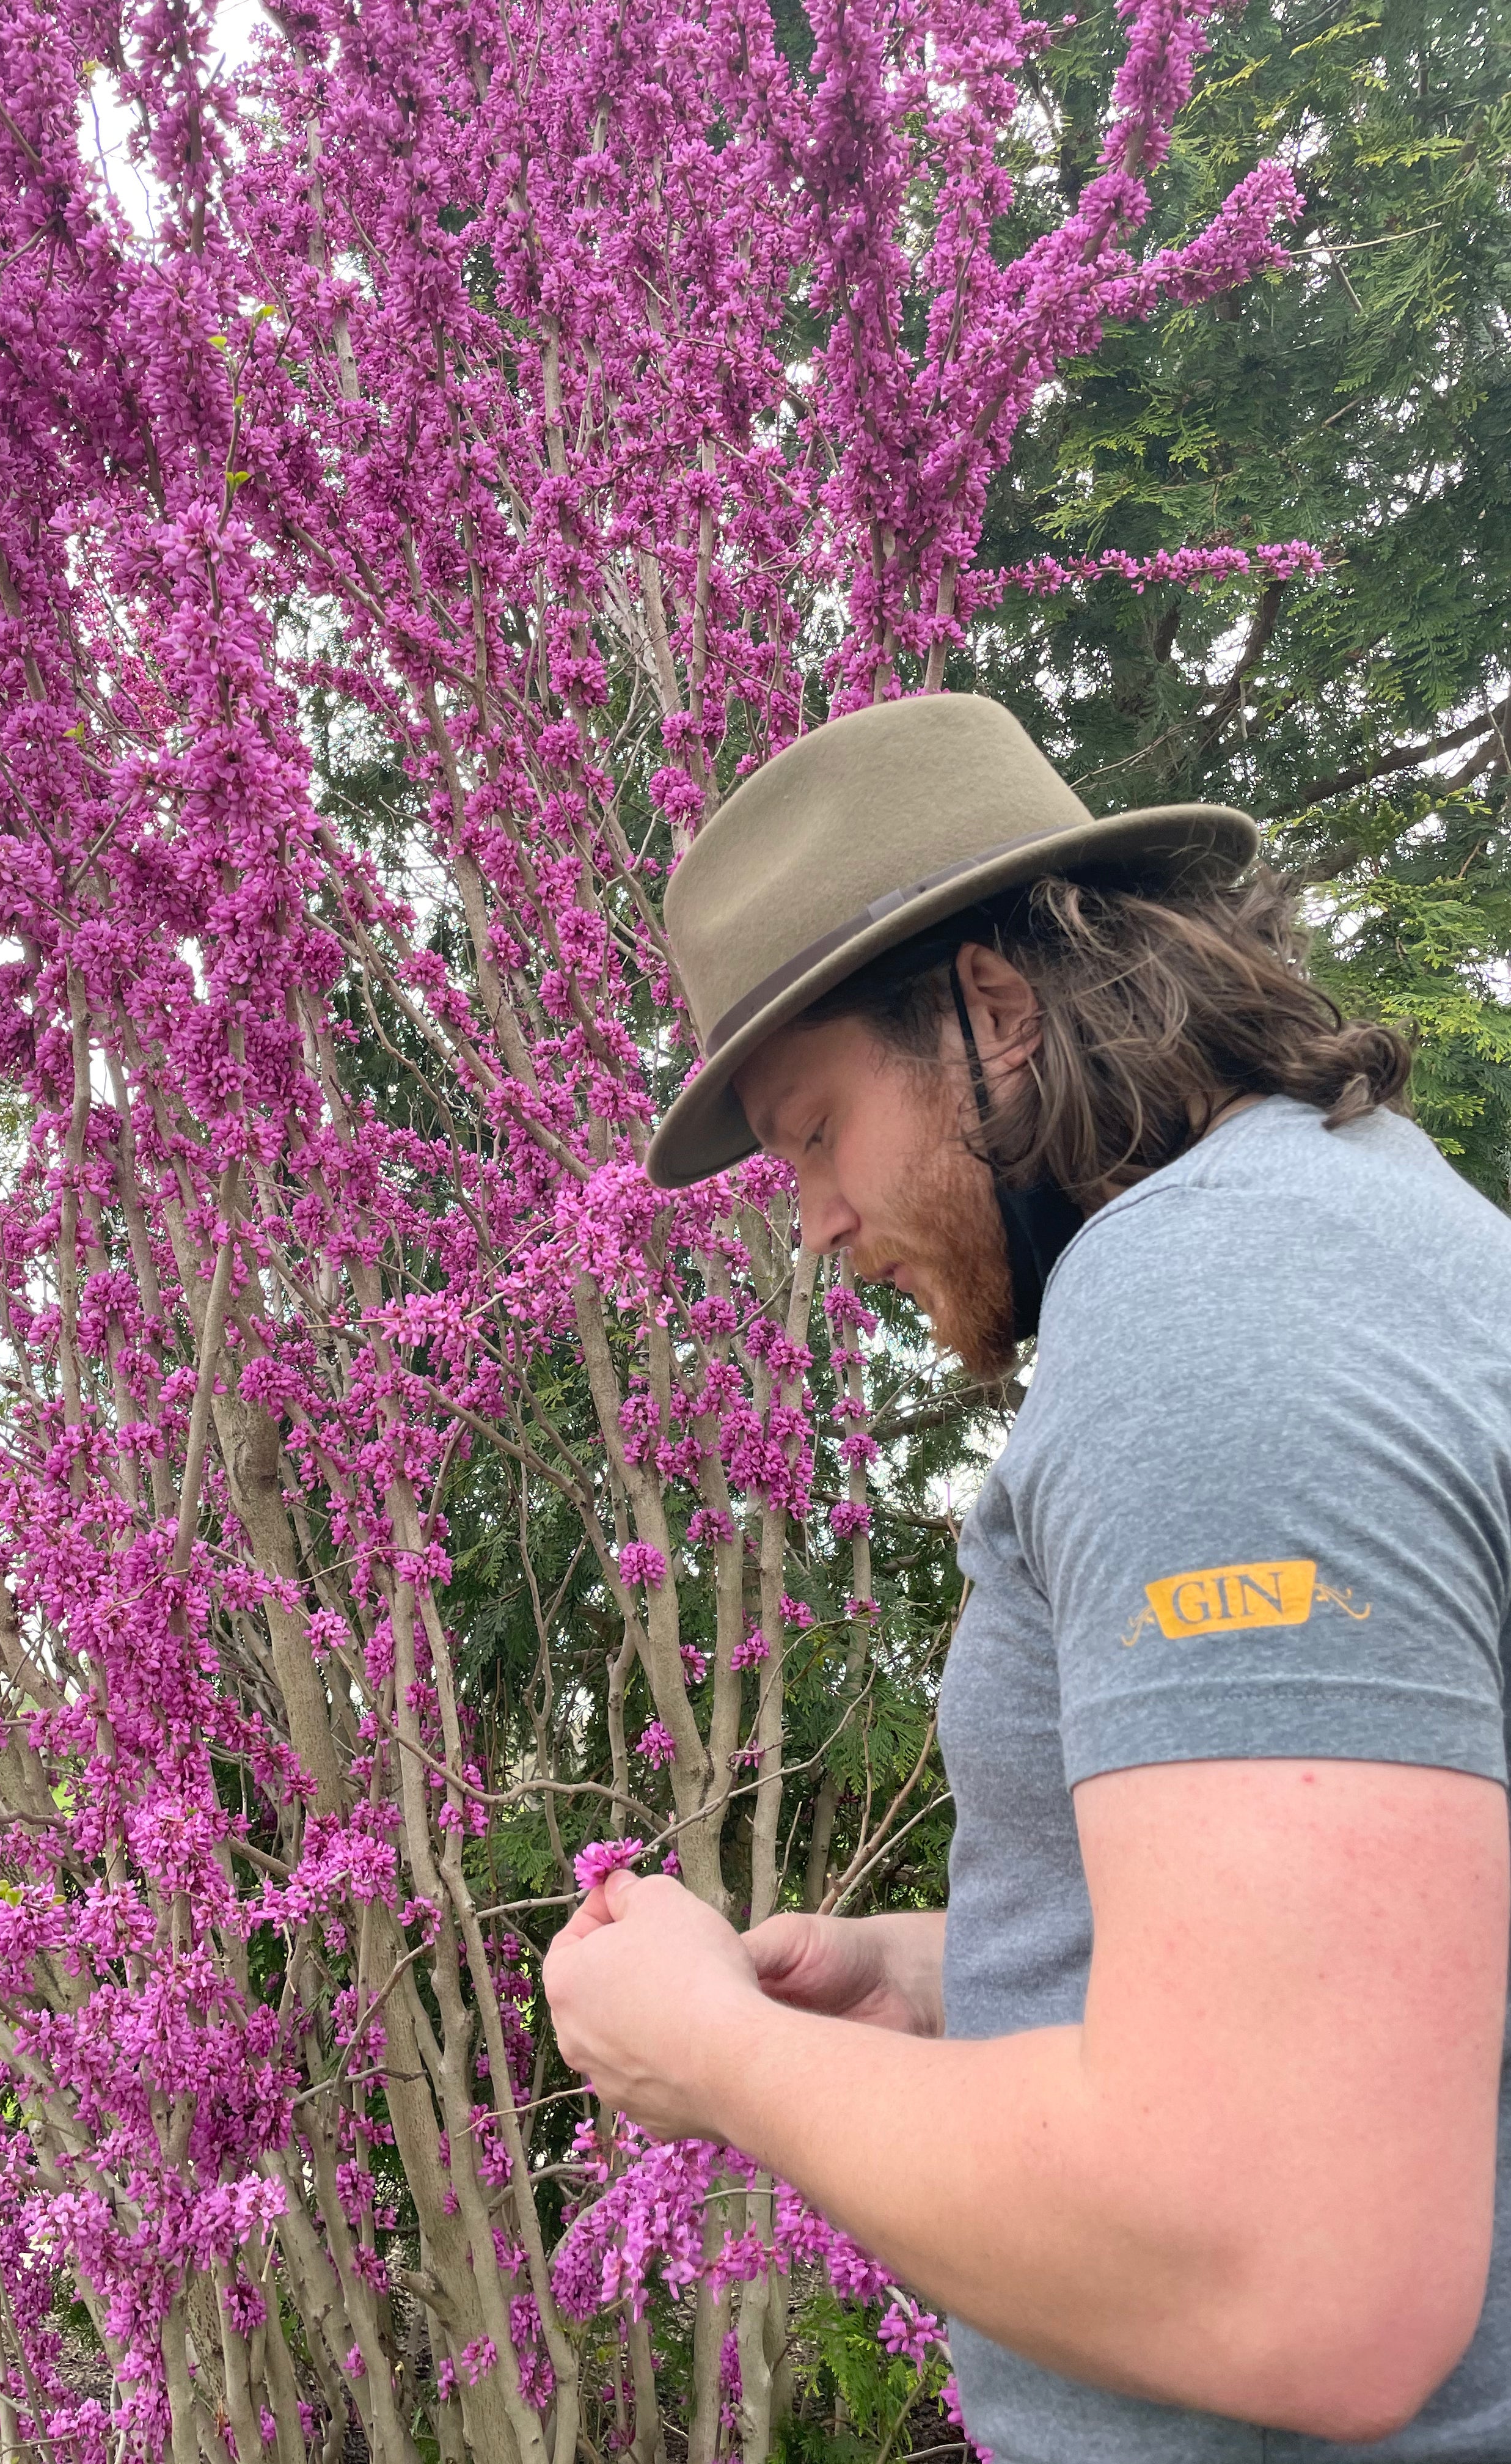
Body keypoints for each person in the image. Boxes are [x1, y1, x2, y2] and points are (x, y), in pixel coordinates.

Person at [541, 692, 1511, 2463]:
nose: (814, 1228)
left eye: (814, 1133)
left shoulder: (1213, 1318)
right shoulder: (1376, 1228)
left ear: (994, 1014)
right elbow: (1402, 1932)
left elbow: (1296, 2268)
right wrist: (947, 1976)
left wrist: (716, 2057)